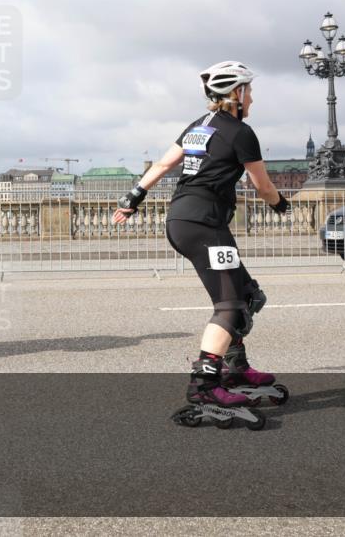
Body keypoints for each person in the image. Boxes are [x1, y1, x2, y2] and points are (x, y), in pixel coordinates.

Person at [113, 62, 290, 422]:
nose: (252, 98)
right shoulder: (241, 132)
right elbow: (263, 185)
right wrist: (281, 205)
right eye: (249, 91)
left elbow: (163, 164)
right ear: (236, 94)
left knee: (249, 294)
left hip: (183, 219)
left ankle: (235, 368)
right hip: (205, 224)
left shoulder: (197, 127)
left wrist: (133, 198)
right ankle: (205, 387)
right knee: (231, 306)